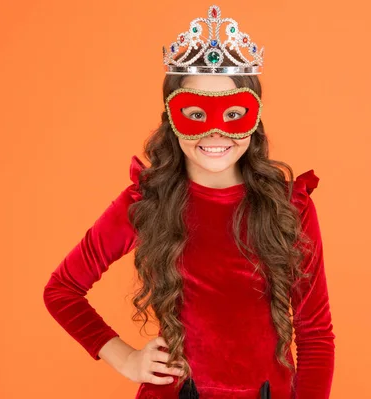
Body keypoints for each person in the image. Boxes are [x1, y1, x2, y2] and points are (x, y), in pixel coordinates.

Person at [43, 5, 335, 399]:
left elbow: (315, 335)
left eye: (232, 114)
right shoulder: (146, 203)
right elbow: (62, 289)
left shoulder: (290, 209)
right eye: (196, 114)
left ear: (254, 118)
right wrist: (125, 358)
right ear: (171, 119)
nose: (215, 131)